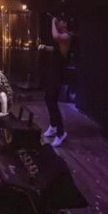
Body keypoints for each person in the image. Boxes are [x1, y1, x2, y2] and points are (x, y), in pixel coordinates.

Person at [39, 15, 72, 147]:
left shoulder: (67, 36)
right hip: (52, 72)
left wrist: (53, 21)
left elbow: (55, 36)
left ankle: (61, 133)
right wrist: (45, 47)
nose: (58, 22)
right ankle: (53, 126)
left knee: (52, 101)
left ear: (65, 24)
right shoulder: (62, 38)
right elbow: (56, 49)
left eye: (61, 21)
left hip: (58, 74)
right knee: (48, 98)